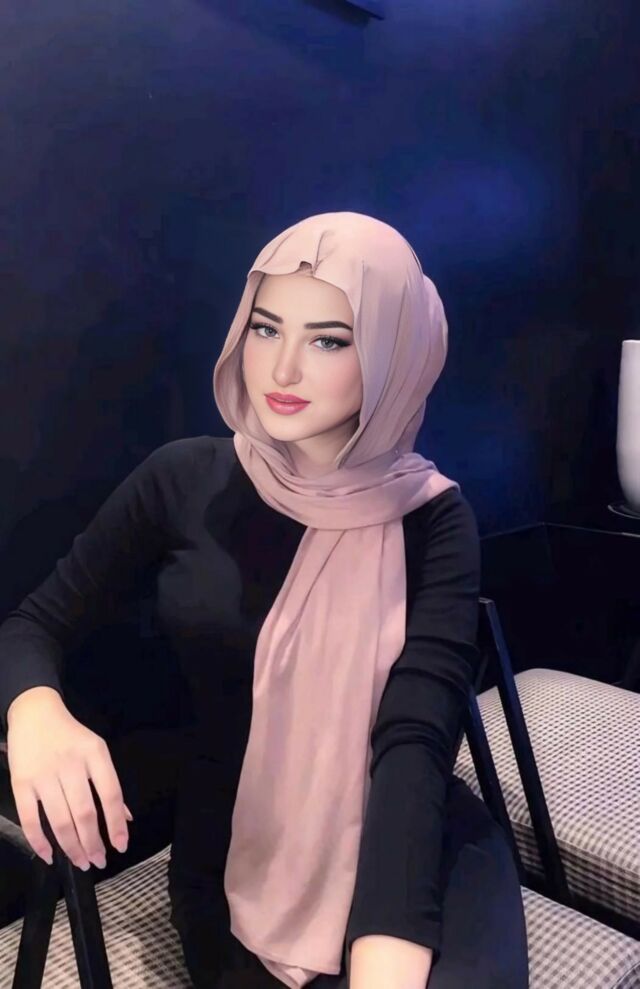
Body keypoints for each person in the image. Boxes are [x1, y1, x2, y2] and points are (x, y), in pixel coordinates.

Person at [0, 212, 529, 989]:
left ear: (392, 352)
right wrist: (36, 711)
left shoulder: (433, 518)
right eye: (265, 326)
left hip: (410, 842)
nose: (282, 367)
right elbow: (33, 623)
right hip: (234, 862)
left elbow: (415, 740)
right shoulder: (185, 480)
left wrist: (386, 950)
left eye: (329, 340)